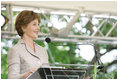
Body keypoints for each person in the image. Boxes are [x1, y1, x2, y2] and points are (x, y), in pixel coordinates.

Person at [7, 10, 49, 79]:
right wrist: (26, 75)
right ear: (23, 27)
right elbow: (12, 77)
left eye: (38, 24)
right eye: (34, 24)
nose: (38, 28)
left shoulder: (43, 50)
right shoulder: (15, 50)